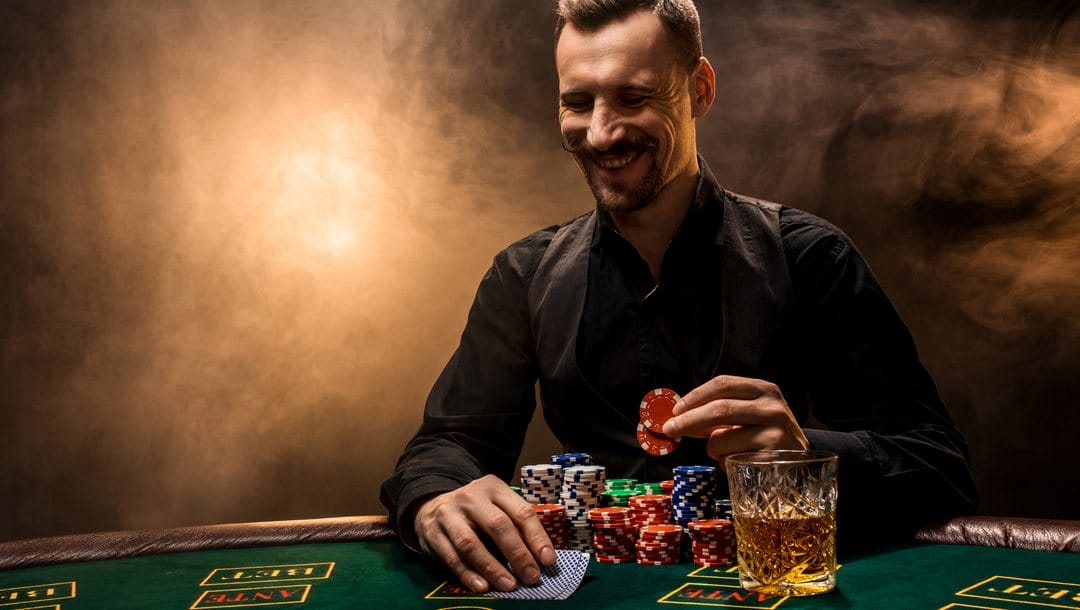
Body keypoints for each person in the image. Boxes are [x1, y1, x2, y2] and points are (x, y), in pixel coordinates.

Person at [380, 0, 977, 594]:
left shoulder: (810, 257)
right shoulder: (523, 274)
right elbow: (448, 443)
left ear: (699, 90)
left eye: (633, 98)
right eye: (578, 101)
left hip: (767, 590)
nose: (601, 132)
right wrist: (434, 499)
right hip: (588, 595)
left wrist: (806, 454)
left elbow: (938, 466)